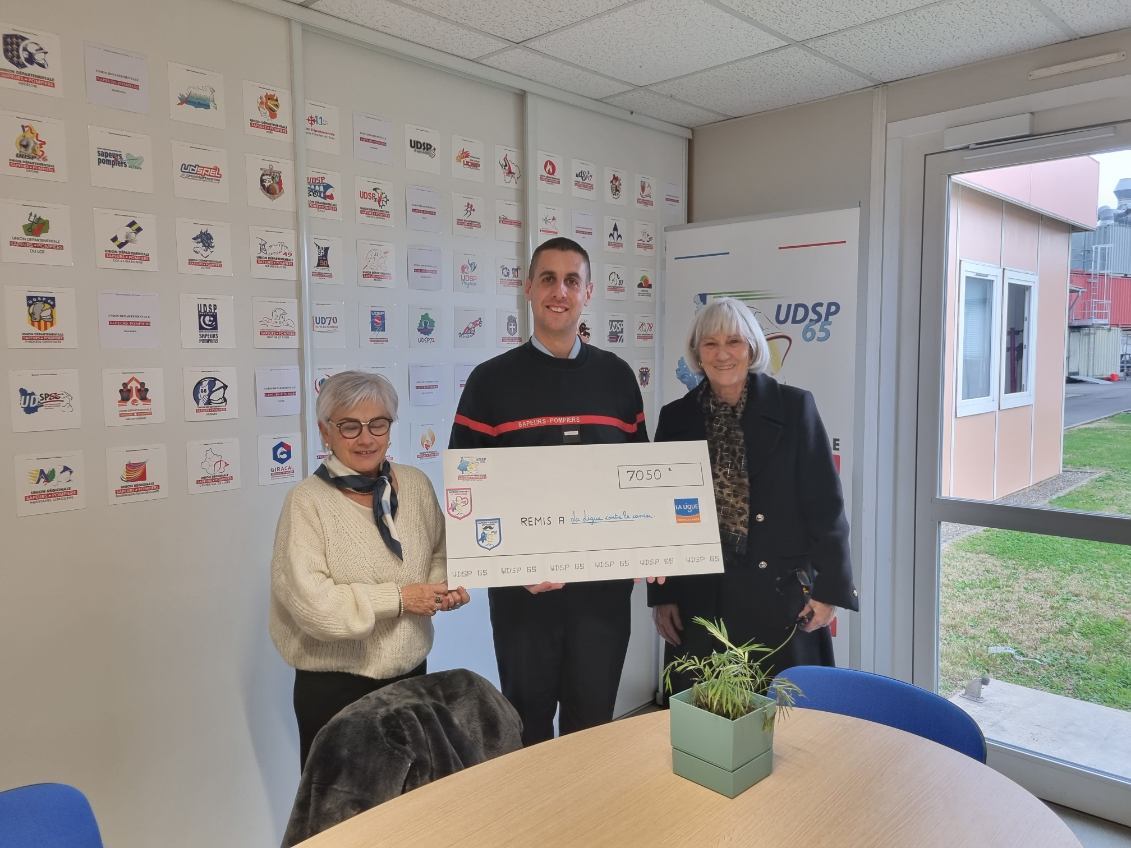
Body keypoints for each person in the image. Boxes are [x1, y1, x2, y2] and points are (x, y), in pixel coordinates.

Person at [449, 236, 648, 746]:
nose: (560, 291)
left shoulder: (617, 377)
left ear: (588, 292)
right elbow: (465, 494)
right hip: (525, 599)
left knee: (592, 732)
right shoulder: (490, 382)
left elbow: (640, 479)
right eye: (548, 279)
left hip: (603, 597)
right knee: (526, 732)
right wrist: (512, 568)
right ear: (528, 289)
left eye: (571, 280)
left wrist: (650, 544)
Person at [648, 298, 858, 693]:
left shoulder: (795, 407)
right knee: (705, 716)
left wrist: (829, 591)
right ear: (697, 353)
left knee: (787, 716)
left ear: (753, 347)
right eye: (710, 344)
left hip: (780, 597)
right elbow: (663, 514)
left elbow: (826, 507)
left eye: (734, 342)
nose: (722, 354)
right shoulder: (676, 418)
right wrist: (663, 595)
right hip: (700, 601)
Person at [270, 371, 470, 769]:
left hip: (412, 677)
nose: (366, 438)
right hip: (335, 690)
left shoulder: (415, 484)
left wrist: (440, 590)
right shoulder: (306, 502)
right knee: (343, 802)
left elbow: (441, 552)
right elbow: (313, 606)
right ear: (325, 431)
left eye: (378, 424)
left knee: (415, 796)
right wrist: (400, 599)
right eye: (350, 426)